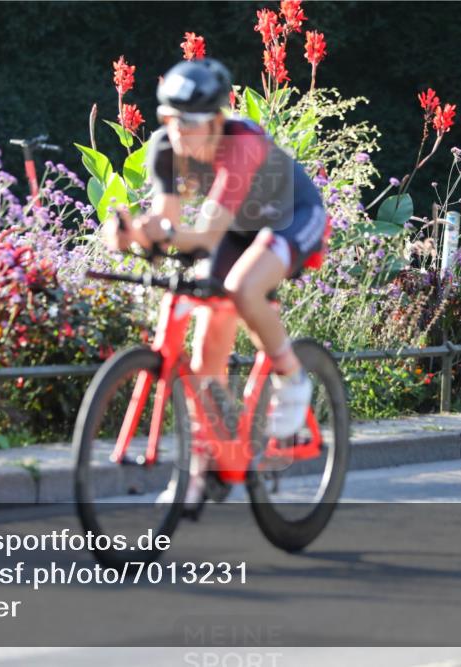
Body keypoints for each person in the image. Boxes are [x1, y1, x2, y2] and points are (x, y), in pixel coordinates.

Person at [101, 58, 328, 508]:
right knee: (207, 349)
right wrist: (131, 234)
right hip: (236, 232)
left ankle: (292, 376)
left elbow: (201, 235)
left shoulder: (240, 144)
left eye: (189, 121)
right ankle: (208, 463)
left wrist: (157, 233)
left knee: (244, 288)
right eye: (169, 118)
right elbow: (170, 221)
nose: (177, 130)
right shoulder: (165, 147)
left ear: (218, 119)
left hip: (291, 219)